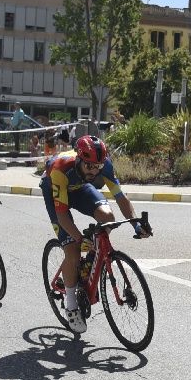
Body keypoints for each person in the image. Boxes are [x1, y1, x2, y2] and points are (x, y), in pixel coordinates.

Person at [39, 133, 149, 333]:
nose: (94, 171)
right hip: (55, 189)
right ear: (79, 159)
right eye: (89, 166)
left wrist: (135, 225)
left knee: (108, 216)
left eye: (97, 167)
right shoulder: (60, 169)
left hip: (80, 188)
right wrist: (79, 240)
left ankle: (89, 260)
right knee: (72, 249)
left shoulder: (102, 165)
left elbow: (121, 198)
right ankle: (71, 305)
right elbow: (62, 217)